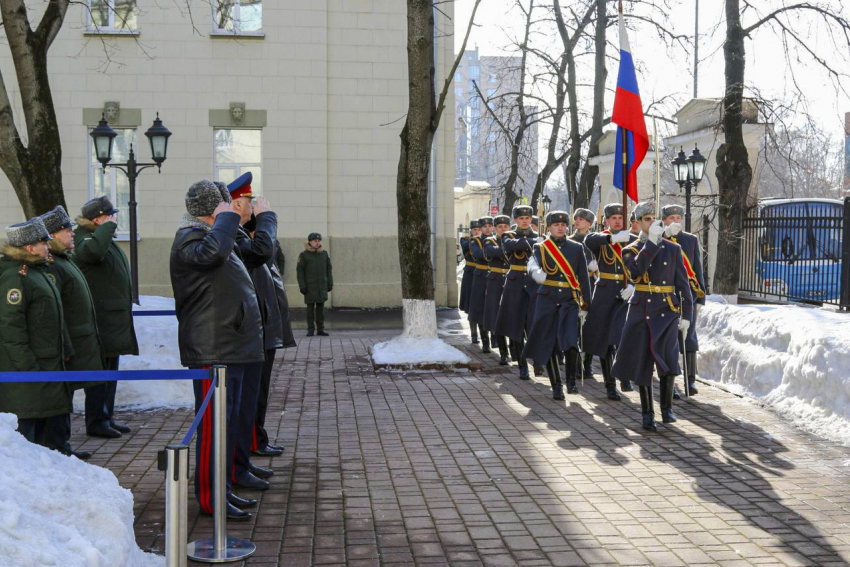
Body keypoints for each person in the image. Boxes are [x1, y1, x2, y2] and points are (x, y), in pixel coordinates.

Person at [170, 178, 265, 521]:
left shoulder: (211, 236)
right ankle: (211, 498)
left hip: (229, 345)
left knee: (227, 425)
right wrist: (227, 219)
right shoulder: (190, 238)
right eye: (223, 206)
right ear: (212, 210)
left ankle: (223, 488)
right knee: (213, 428)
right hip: (213, 349)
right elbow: (213, 255)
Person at [612, 201, 693, 431]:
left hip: (667, 310)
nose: (651, 222)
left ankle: (667, 408)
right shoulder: (631, 248)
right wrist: (653, 243)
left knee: (669, 361)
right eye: (645, 219)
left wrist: (686, 314)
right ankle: (647, 413)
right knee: (643, 364)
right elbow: (636, 273)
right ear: (638, 223)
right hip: (643, 311)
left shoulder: (673, 248)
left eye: (652, 218)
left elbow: (683, 284)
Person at [225, 174, 279, 491]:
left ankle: (241, 464)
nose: (253, 206)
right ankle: (234, 470)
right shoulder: (230, 234)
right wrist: (268, 218)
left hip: (251, 333)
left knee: (247, 406)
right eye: (249, 202)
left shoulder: (236, 233)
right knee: (236, 409)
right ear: (236, 204)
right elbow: (260, 253)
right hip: (236, 337)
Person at [0, 218, 73, 453]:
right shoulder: (16, 278)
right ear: (30, 248)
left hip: (47, 362)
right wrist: (28, 367)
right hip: (30, 369)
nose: (49, 246)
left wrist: (66, 348)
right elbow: (11, 328)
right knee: (30, 433)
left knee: (46, 425)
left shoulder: (36, 272)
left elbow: (54, 317)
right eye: (44, 243)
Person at [41, 206, 103, 460]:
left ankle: (61, 445)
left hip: (77, 339)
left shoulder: (64, 258)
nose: (73, 233)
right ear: (54, 235)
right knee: (60, 396)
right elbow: (57, 308)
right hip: (68, 342)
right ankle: (57, 446)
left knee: (65, 395)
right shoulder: (53, 263)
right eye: (67, 230)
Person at [74, 195, 138, 439]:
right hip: (101, 321)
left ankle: (107, 415)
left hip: (112, 319)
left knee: (110, 371)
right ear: (97, 219)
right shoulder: (86, 238)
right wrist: (106, 228)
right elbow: (92, 253)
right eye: (109, 217)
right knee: (100, 374)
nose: (114, 220)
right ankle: (96, 420)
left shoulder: (101, 238)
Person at [523, 211, 591, 400]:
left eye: (563, 224)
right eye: (556, 224)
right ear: (549, 227)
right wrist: (534, 271)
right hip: (547, 300)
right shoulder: (541, 247)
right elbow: (533, 264)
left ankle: (571, 381)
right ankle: (557, 386)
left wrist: (586, 304)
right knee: (550, 344)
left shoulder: (577, 248)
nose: (560, 227)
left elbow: (583, 278)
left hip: (569, 301)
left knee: (571, 343)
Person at [583, 204, 636, 400]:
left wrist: (633, 286)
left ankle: (625, 375)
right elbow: (589, 241)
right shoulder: (601, 240)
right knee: (606, 342)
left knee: (624, 338)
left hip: (626, 293)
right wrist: (613, 238)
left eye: (621, 218)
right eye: (613, 218)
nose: (617, 221)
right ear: (606, 221)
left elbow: (642, 269)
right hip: (605, 292)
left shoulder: (634, 241)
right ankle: (610, 383)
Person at [253, 229, 296, 458]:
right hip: (257, 334)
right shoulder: (249, 247)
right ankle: (252, 442)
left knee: (259, 392)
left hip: (267, 331)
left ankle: (256, 438)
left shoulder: (264, 247)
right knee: (253, 393)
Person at [660, 204, 706, 397]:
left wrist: (700, 296)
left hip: (687, 295)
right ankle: (672, 382)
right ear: (664, 220)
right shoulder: (659, 237)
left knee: (689, 336)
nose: (675, 221)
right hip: (667, 294)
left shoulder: (690, 239)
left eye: (678, 218)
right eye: (671, 218)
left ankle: (690, 380)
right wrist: (663, 235)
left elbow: (696, 267)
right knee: (669, 338)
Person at [495, 205, 537, 380]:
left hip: (534, 283)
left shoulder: (538, 236)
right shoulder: (508, 235)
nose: (525, 221)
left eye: (527, 218)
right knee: (516, 326)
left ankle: (537, 361)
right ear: (515, 220)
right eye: (521, 218)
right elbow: (512, 245)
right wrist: (535, 241)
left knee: (534, 324)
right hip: (515, 283)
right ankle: (522, 366)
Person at [570, 208, 598, 380]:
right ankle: (576, 364)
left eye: (582, 219)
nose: (578, 221)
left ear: (589, 223)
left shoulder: (595, 241)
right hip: (576, 285)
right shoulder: (570, 241)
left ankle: (587, 364)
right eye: (577, 219)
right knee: (574, 326)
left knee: (589, 327)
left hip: (592, 285)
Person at [483, 215, 511, 364]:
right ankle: (503, 352)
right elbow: (491, 252)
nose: (503, 229)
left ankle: (515, 349)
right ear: (495, 228)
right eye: (499, 227)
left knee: (513, 317)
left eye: (505, 226)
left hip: (511, 281)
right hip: (495, 281)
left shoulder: (513, 239)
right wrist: (511, 247)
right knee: (496, 316)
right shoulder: (489, 241)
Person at [297, 232, 333, 337]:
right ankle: (310, 329)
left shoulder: (324, 254)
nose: (317, 243)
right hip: (310, 286)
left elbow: (329, 270)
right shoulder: (304, 255)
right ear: (310, 242)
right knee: (310, 309)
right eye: (314, 241)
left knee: (321, 309)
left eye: (318, 241)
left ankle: (320, 329)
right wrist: (302, 285)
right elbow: (300, 271)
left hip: (321, 286)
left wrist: (330, 283)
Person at [467, 216, 492, 353]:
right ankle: (485, 341)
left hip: (496, 277)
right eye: (484, 226)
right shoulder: (475, 241)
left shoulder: (499, 240)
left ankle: (496, 339)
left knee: (494, 309)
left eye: (490, 226)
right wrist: (496, 252)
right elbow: (478, 254)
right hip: (481, 277)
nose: (487, 228)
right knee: (481, 309)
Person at [459, 220, 480, 337]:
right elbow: (466, 247)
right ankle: (473, 332)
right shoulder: (466, 240)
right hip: (470, 274)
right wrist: (476, 239)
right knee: (471, 303)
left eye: (478, 229)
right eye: (474, 229)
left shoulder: (485, 240)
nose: (477, 232)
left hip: (481, 273)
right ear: (471, 230)